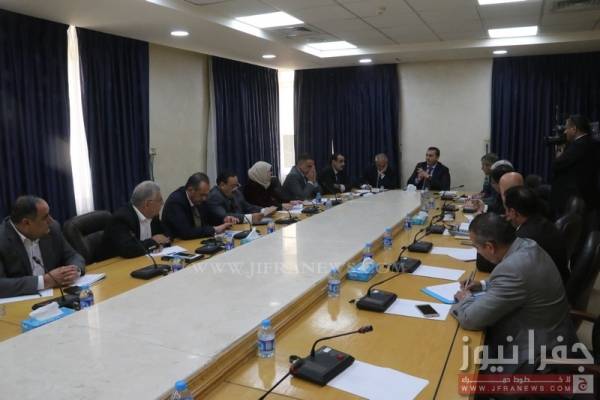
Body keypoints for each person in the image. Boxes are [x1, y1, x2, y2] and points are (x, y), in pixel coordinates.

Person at [452, 213, 577, 374]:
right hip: (554, 330)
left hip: (537, 354)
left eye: (477, 247)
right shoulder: (527, 245)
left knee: (460, 365)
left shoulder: (512, 269)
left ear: (490, 247)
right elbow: (521, 280)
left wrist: (465, 299)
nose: (478, 251)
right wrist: (482, 284)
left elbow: (470, 319)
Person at [0, 196, 85, 298]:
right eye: (45, 217)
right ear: (26, 223)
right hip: (20, 303)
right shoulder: (3, 239)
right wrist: (45, 281)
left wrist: (74, 270)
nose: (51, 221)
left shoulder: (52, 229)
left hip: (56, 296)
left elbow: (73, 256)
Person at [503, 186, 569, 283]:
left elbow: (507, 268)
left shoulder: (524, 239)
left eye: (507, 210)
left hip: (546, 287)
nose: (506, 215)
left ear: (513, 212)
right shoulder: (545, 222)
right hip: (560, 279)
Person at [103, 181, 170, 258]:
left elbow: (166, 234)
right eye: (159, 200)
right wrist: (153, 242)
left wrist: (161, 244)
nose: (162, 203)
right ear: (147, 204)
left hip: (143, 259)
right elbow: (128, 249)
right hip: (112, 263)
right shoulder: (121, 219)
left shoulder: (153, 215)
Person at [162, 173, 236, 240]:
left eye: (206, 195)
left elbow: (209, 218)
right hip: (178, 244)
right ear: (190, 190)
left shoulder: (200, 199)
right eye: (202, 195)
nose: (204, 198)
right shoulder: (176, 202)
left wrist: (223, 219)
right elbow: (186, 232)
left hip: (197, 240)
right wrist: (214, 229)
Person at [551, 114, 599, 216]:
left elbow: (557, 165)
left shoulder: (579, 145)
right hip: (588, 196)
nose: (565, 132)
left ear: (574, 129)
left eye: (566, 128)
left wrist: (559, 152)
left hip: (576, 198)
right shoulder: (592, 142)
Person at [204, 170, 277, 226]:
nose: (236, 188)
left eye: (237, 185)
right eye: (233, 186)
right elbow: (224, 216)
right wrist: (250, 218)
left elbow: (247, 206)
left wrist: (264, 210)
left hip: (239, 227)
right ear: (222, 185)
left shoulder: (236, 192)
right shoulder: (214, 196)